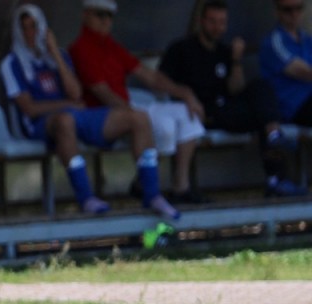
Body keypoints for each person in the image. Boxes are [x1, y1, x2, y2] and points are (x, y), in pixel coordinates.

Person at [0, 4, 181, 219]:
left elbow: (76, 93)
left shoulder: (60, 56)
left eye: (35, 26)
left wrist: (55, 57)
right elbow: (28, 109)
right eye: (26, 28)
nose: (31, 33)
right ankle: (86, 197)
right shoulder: (10, 63)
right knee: (65, 120)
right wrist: (65, 105)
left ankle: (151, 194)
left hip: (77, 115)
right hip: (42, 124)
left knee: (138, 118)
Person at [69, 0, 209, 204]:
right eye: (100, 15)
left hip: (129, 107)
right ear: (86, 15)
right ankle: (147, 188)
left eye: (109, 16)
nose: (106, 21)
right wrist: (132, 114)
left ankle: (181, 187)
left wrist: (185, 93)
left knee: (185, 113)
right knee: (161, 125)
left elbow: (147, 75)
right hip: (105, 116)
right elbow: (102, 92)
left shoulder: (111, 46)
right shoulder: (81, 48)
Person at [161, 0, 305, 197]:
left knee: (262, 98)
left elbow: (236, 89)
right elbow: (161, 81)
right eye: (212, 21)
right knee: (263, 113)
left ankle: (275, 173)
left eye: (222, 22)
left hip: (225, 110)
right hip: (198, 113)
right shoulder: (181, 49)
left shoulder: (224, 52)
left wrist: (236, 59)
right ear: (202, 21)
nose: (217, 27)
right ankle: (274, 142)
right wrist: (186, 96)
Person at [260, 0, 312, 127]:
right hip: (293, 109)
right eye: (288, 10)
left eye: (298, 8)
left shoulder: (307, 40)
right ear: (277, 12)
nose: (294, 14)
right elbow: (305, 73)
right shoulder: (273, 42)